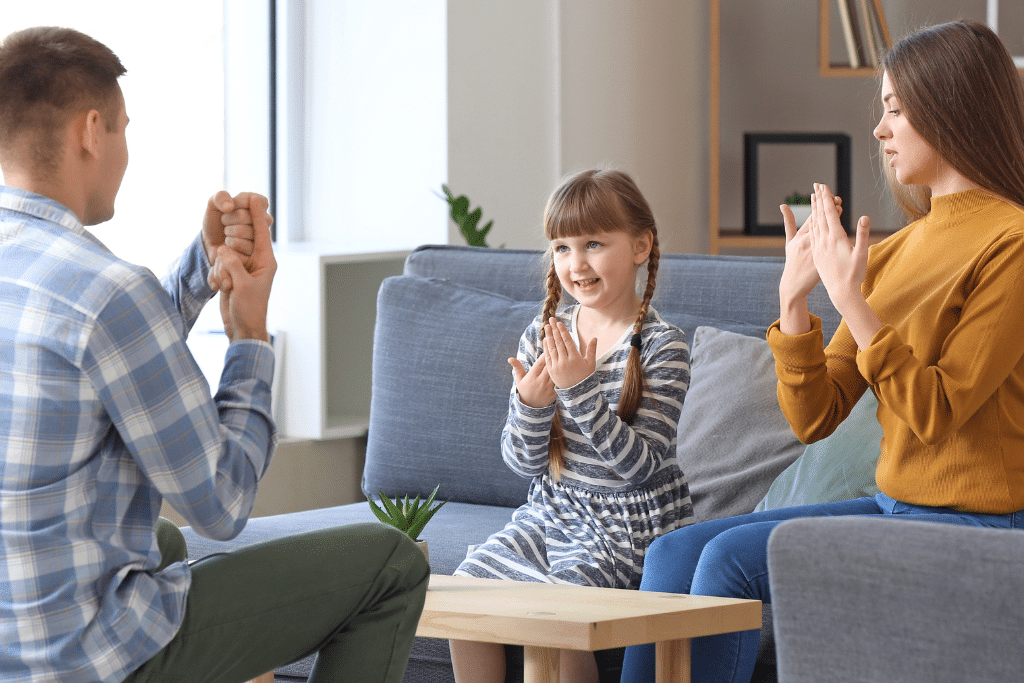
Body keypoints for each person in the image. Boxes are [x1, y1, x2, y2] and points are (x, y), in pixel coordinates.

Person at [0, 26, 428, 683]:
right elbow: (222, 504)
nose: (124, 150)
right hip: (78, 662)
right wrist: (249, 338)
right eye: (123, 129)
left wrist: (200, 268)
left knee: (163, 543)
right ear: (91, 131)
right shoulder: (108, 292)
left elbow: (93, 352)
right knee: (392, 561)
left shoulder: (51, 279)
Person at [619, 18, 1024, 683]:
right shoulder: (896, 252)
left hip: (982, 525)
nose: (880, 128)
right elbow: (816, 414)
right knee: (671, 552)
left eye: (896, 108)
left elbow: (937, 409)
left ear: (949, 106)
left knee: (728, 562)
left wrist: (853, 300)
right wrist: (795, 301)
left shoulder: (1011, 242)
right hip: (897, 508)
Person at [448, 169, 693, 683]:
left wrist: (580, 391)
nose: (575, 263)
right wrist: (532, 405)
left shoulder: (661, 347)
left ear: (640, 246)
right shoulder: (542, 337)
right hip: (553, 511)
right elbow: (522, 463)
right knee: (466, 591)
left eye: (594, 243)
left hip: (628, 528)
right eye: (561, 247)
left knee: (553, 613)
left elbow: (640, 469)